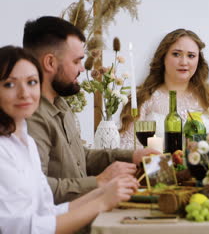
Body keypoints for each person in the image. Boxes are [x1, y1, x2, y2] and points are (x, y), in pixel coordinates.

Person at [0, 45, 139, 234]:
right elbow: (25, 229)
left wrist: (104, 191)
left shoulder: (25, 141)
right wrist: (101, 201)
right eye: (9, 84)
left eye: (32, 82)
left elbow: (47, 211)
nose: (24, 93)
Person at [23, 16, 158, 204]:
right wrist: (99, 182)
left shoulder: (60, 103)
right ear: (50, 63)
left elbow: (81, 158)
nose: (81, 69)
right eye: (77, 61)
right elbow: (38, 189)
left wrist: (133, 156)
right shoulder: (31, 116)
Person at [119, 28, 209, 148]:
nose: (184, 62)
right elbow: (129, 148)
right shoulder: (142, 97)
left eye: (191, 56)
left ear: (198, 61)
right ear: (163, 57)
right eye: (176, 54)